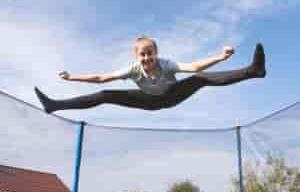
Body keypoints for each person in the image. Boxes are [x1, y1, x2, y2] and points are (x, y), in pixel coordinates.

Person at [34, 36, 266, 113]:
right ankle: (55, 105)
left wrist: (220, 57)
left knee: (199, 79)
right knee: (105, 93)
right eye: (142, 55)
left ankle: (252, 71)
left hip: (172, 96)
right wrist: (72, 77)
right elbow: (101, 77)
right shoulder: (133, 69)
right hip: (149, 102)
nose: (147, 59)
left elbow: (194, 67)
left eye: (150, 54)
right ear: (137, 56)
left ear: (156, 53)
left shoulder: (165, 64)